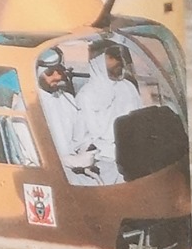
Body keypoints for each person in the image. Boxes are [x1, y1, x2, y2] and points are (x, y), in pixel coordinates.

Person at [75, 38, 144, 184]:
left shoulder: (128, 87)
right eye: (112, 57)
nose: (119, 61)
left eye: (119, 56)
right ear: (98, 62)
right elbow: (83, 138)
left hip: (134, 155)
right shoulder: (86, 95)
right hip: (104, 163)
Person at [35, 48, 98, 184]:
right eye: (50, 72)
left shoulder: (67, 99)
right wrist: (69, 161)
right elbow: (32, 156)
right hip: (47, 172)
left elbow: (81, 135)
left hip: (76, 165)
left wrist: (87, 149)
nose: (57, 77)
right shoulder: (27, 106)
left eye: (59, 71)